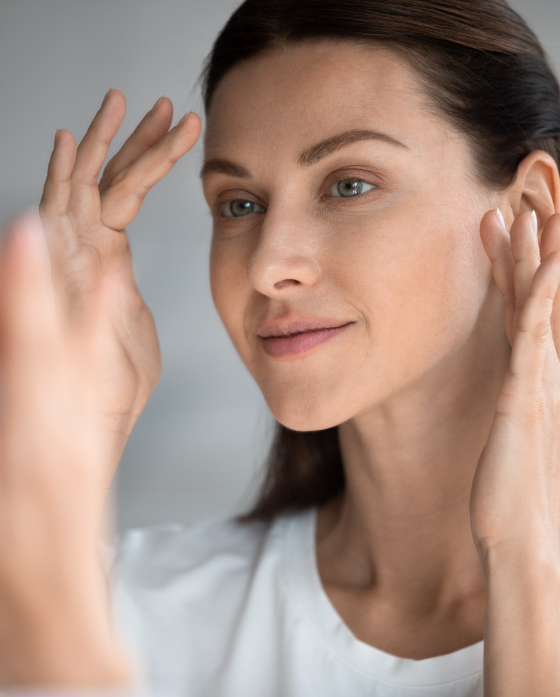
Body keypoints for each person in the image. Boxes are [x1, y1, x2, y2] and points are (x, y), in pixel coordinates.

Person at [0, 0, 560, 694]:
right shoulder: (125, 608)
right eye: (239, 203)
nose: (268, 265)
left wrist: (530, 568)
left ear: (529, 210)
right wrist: (76, 431)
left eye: (349, 185)